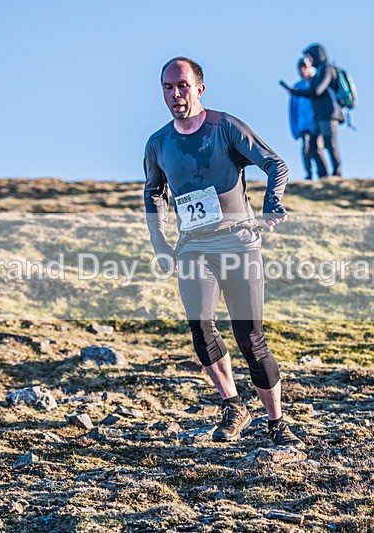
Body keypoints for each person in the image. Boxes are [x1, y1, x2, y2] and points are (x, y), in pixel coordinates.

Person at [144, 56, 304, 448]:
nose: (176, 94)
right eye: (168, 87)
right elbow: (154, 192)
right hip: (194, 246)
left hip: (238, 242)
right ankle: (234, 406)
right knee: (201, 328)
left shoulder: (225, 127)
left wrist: (274, 203)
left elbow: (275, 164)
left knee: (249, 337)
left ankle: (276, 422)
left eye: (182, 85)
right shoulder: (158, 143)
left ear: (199, 87)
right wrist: (160, 242)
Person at [280, 43, 343, 177]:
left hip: (329, 114)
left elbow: (317, 90)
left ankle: (337, 173)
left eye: (309, 57)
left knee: (330, 144)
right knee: (312, 147)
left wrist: (295, 92)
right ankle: (323, 175)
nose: (309, 60)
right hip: (319, 116)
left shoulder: (327, 69)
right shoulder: (319, 72)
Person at [289, 58, 328, 180]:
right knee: (305, 149)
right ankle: (309, 173)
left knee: (317, 148)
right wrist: (295, 128)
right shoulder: (297, 87)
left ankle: (323, 174)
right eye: (300, 68)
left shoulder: (316, 83)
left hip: (316, 123)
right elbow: (293, 110)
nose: (303, 71)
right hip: (303, 125)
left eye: (305, 67)